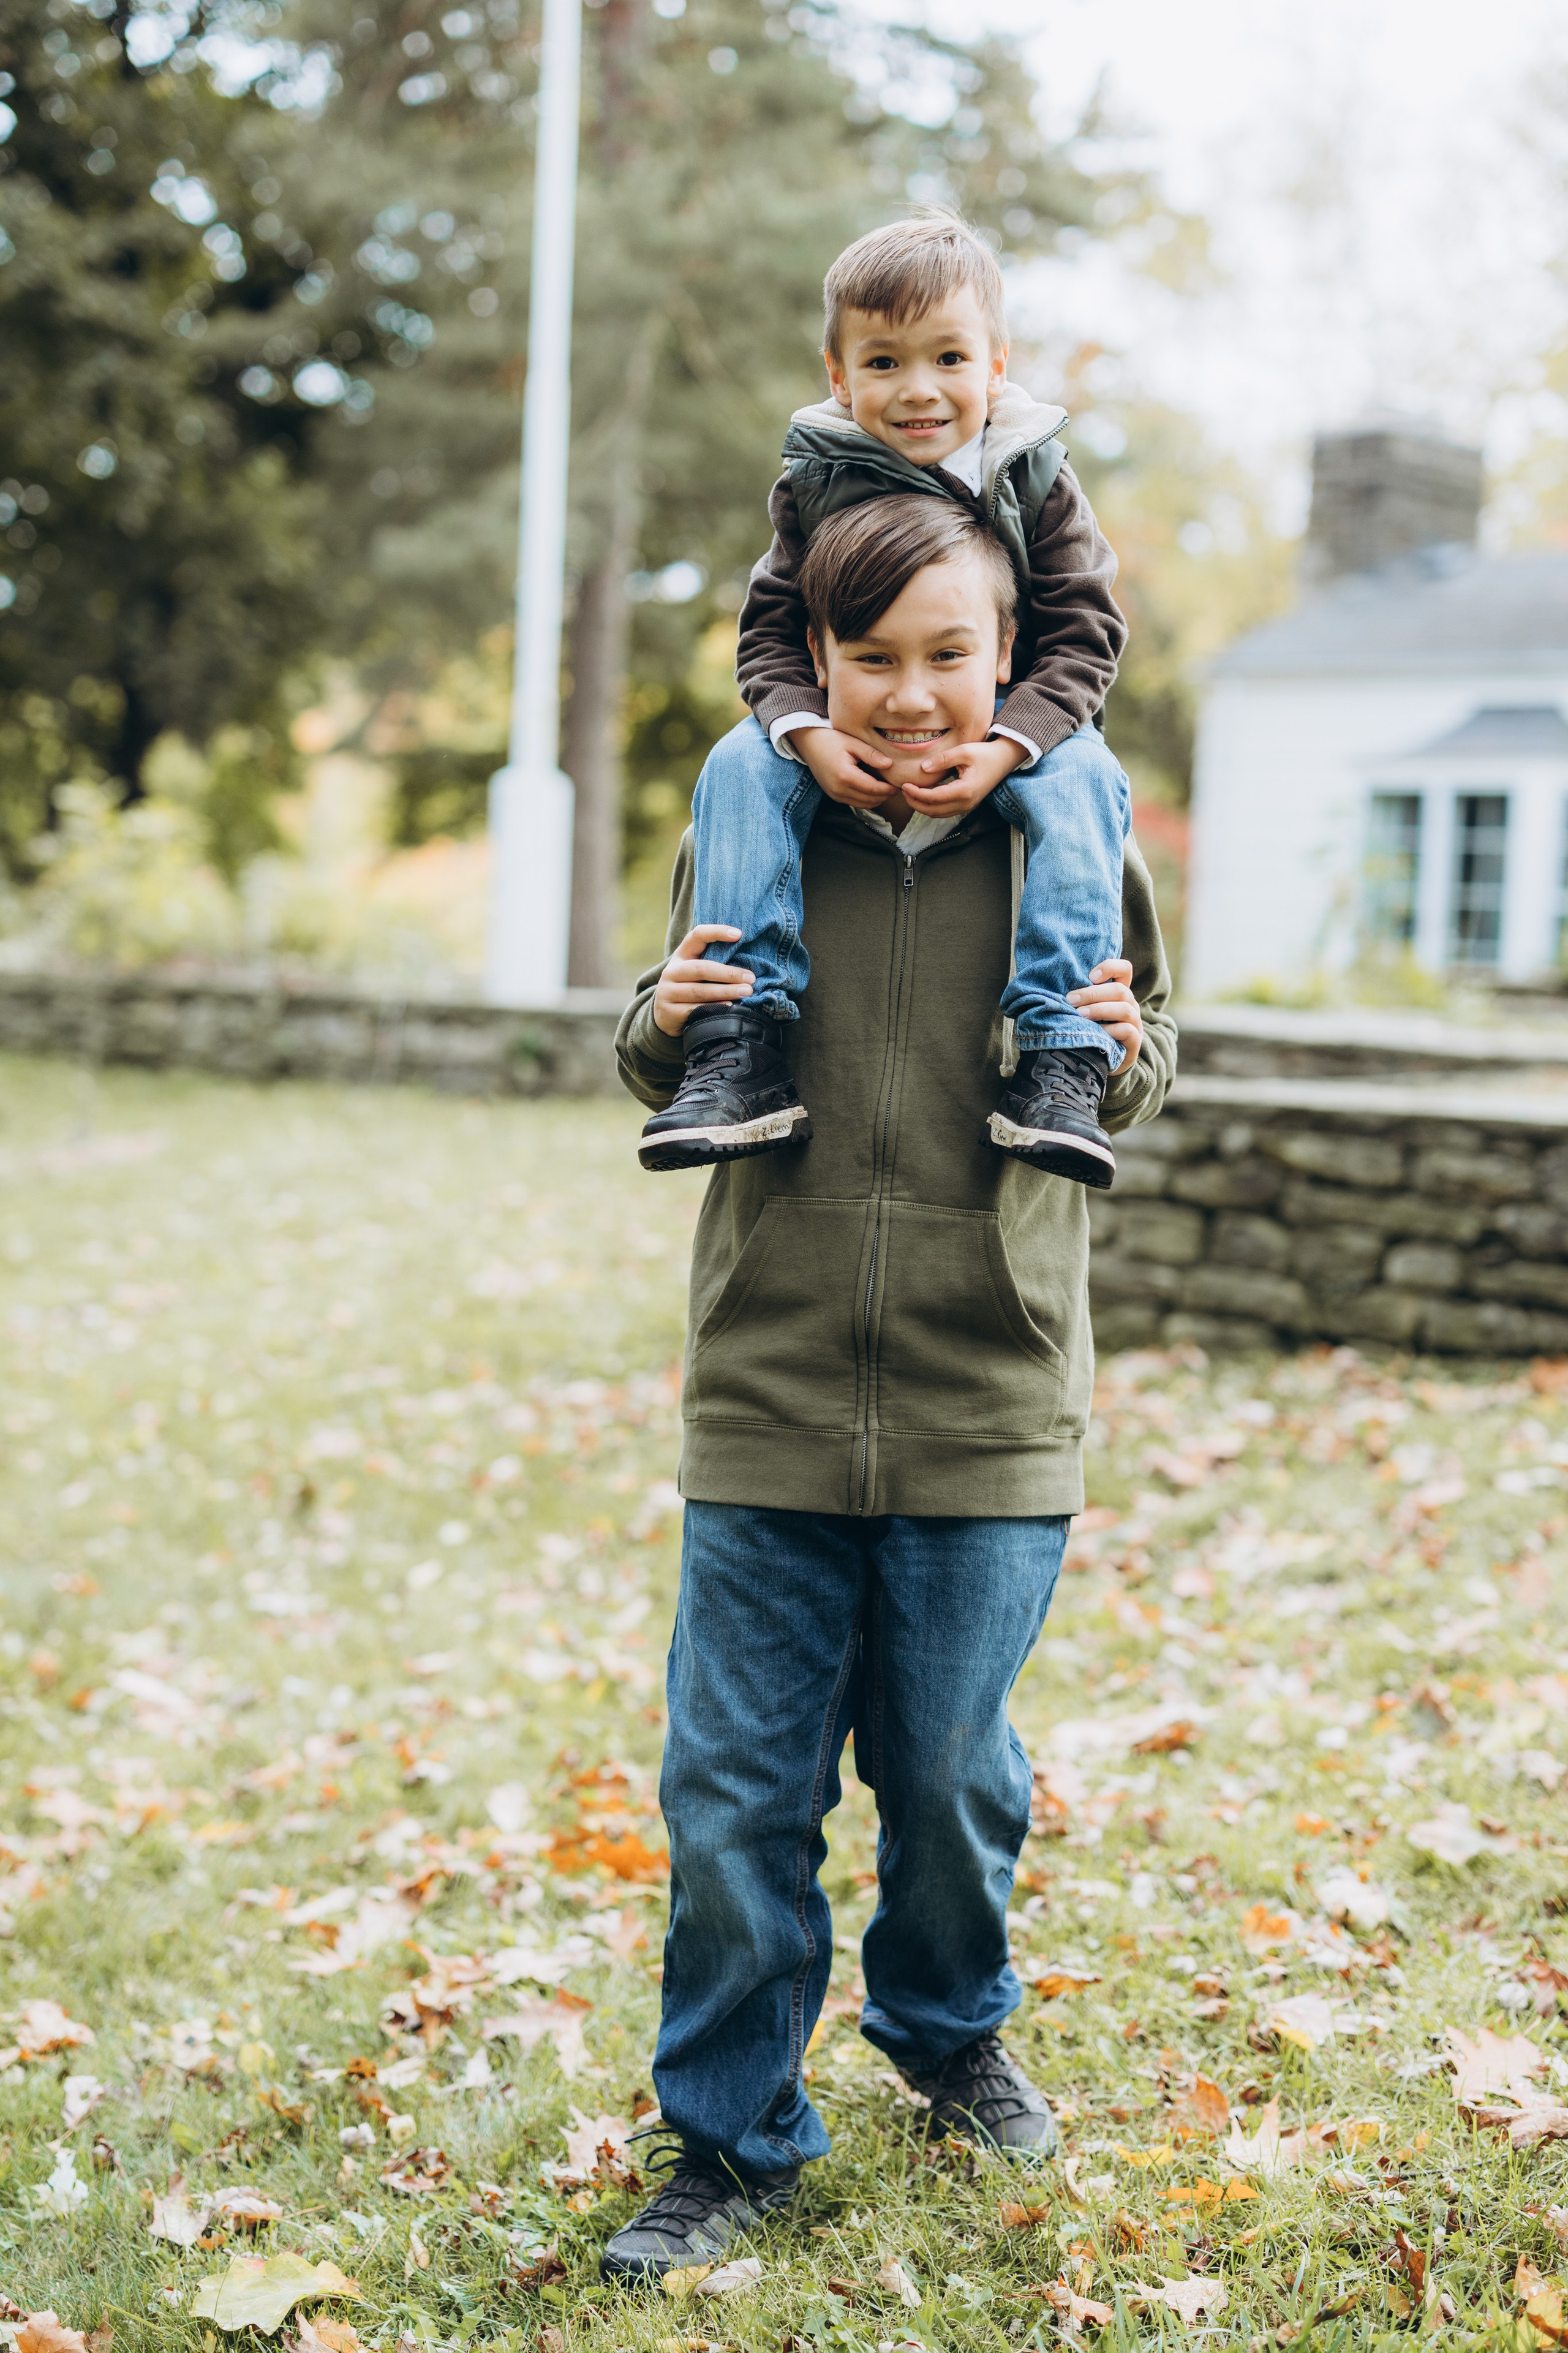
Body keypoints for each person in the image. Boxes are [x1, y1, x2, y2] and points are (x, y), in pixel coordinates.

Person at [603, 497, 1177, 2284]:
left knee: (945, 1774)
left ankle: (947, 2024)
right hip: (769, 1381)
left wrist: (1127, 1049)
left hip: (989, 1387)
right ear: (819, 664)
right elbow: (678, 1024)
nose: (916, 697)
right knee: (731, 1796)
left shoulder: (1071, 824)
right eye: (878, 658)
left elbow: (1147, 1044)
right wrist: (659, 1013)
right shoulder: (763, 816)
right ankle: (730, 2137)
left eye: (951, 656)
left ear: (1007, 657)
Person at [638, 211, 1130, 1191]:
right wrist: (807, 733)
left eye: (948, 357)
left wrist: (1011, 745)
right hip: (830, 736)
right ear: (838, 375)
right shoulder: (811, 485)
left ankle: (1059, 1053)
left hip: (1025, 731)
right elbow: (770, 635)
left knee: (1090, 775)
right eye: (884, 362)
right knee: (741, 758)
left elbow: (1086, 633)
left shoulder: (1037, 477)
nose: (917, 391)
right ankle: (742, 1041)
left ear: (996, 365)